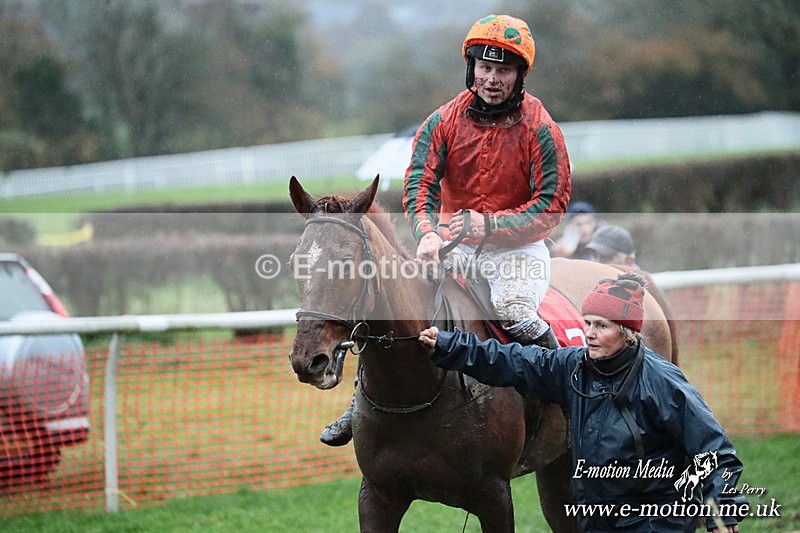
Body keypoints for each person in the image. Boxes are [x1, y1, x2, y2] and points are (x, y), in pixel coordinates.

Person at [319, 14, 572, 446]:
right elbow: (419, 187)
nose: (492, 79)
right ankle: (361, 399)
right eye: (485, 67)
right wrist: (428, 232)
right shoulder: (441, 121)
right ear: (471, 67)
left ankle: (570, 390)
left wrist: (488, 225)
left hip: (517, 250)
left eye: (503, 70)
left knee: (513, 312)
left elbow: (552, 208)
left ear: (520, 74)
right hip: (451, 245)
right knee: (397, 304)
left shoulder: (542, 129)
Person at [419, 272, 749, 532]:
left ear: (627, 332)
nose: (588, 333)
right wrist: (449, 345)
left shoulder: (662, 381)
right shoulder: (573, 366)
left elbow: (713, 448)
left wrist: (721, 511)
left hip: (657, 520)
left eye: (601, 326)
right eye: (587, 323)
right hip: (598, 518)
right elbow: (513, 361)